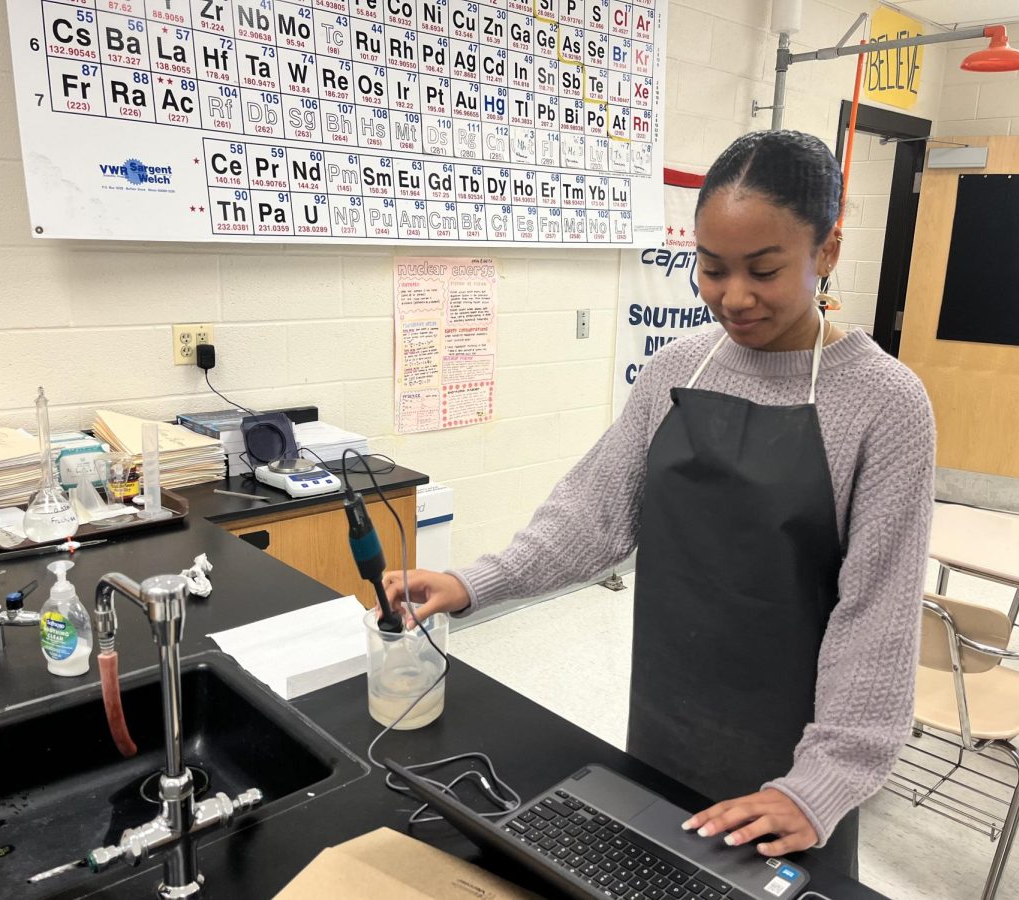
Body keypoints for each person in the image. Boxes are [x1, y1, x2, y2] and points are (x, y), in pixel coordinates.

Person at [384, 129, 936, 878]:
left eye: (764, 271)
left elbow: (878, 616)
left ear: (828, 250)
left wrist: (822, 783)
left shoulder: (884, 403)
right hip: (666, 716)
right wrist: (475, 581)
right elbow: (594, 513)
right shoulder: (678, 370)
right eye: (710, 269)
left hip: (795, 760)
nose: (732, 297)